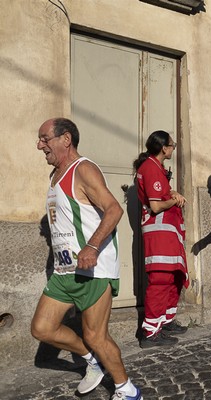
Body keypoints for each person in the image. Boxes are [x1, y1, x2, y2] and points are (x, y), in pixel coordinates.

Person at [31, 118, 142, 399]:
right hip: (65, 271)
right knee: (42, 328)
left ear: (65, 139)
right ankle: (91, 360)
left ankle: (126, 389)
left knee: (96, 335)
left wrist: (92, 247)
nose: (39, 145)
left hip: (94, 269)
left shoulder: (84, 170)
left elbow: (114, 210)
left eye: (45, 138)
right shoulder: (55, 175)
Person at [133, 130, 189, 348]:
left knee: (174, 277)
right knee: (160, 279)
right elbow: (156, 205)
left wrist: (172, 192)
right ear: (164, 148)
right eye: (172, 145)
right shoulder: (150, 168)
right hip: (159, 233)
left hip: (168, 232)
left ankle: (164, 322)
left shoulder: (157, 168)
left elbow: (161, 193)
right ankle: (150, 331)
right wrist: (174, 201)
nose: (173, 148)